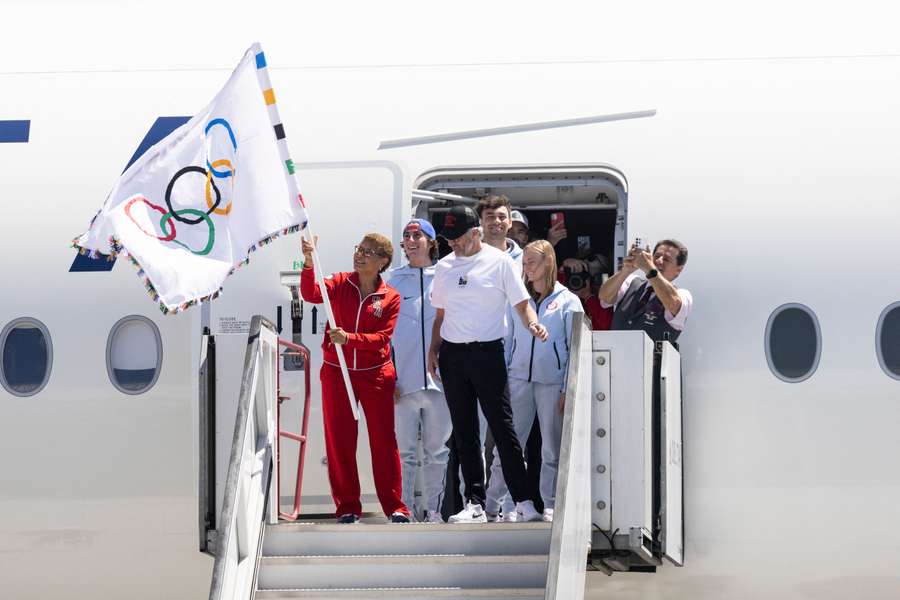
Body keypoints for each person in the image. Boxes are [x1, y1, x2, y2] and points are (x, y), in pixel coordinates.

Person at [427, 205, 549, 524]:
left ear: (475, 233)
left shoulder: (500, 263)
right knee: (465, 431)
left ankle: (523, 500)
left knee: (502, 428)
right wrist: (433, 352)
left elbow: (522, 304)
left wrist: (533, 323)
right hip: (453, 355)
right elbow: (441, 315)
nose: (452, 243)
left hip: (488, 353)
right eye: (448, 237)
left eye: (457, 237)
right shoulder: (443, 267)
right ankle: (475, 503)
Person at [300, 233, 411, 524]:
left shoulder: (391, 297)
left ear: (382, 262)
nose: (360, 255)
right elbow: (310, 293)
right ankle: (348, 506)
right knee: (339, 440)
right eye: (359, 249)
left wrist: (349, 338)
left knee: (384, 441)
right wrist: (309, 262)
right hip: (337, 373)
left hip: (375, 375)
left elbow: (381, 339)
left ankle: (395, 506)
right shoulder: (338, 283)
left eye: (369, 252)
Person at [485, 240, 583, 522]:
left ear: (549, 263)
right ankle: (495, 505)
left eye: (532, 262)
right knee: (508, 445)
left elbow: (574, 349)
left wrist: (567, 387)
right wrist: (501, 381)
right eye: (524, 261)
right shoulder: (518, 300)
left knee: (551, 447)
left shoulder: (568, 301)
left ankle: (550, 504)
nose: (526, 267)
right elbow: (507, 342)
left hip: (551, 383)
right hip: (517, 380)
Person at [384, 219, 451, 523]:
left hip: (441, 383)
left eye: (417, 235)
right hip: (403, 382)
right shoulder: (392, 280)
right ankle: (405, 510)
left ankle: (434, 510)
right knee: (405, 452)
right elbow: (384, 334)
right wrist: (390, 375)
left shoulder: (447, 275)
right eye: (407, 236)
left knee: (437, 451)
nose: (411, 240)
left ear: (431, 241)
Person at [598, 239, 693, 342]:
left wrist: (649, 269)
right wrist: (626, 270)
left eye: (666, 259)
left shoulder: (682, 295)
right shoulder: (631, 282)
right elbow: (604, 297)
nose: (659, 261)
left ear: (679, 269)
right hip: (615, 355)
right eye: (656, 256)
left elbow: (674, 304)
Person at [559, 255, 613, 330]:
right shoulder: (567, 277)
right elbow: (608, 324)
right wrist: (587, 297)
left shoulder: (603, 302)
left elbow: (607, 325)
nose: (577, 280)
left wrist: (588, 297)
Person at [476, 195, 523, 269]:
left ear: (510, 223)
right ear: (480, 222)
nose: (496, 221)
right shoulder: (466, 259)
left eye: (502, 217)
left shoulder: (525, 259)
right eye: (490, 216)